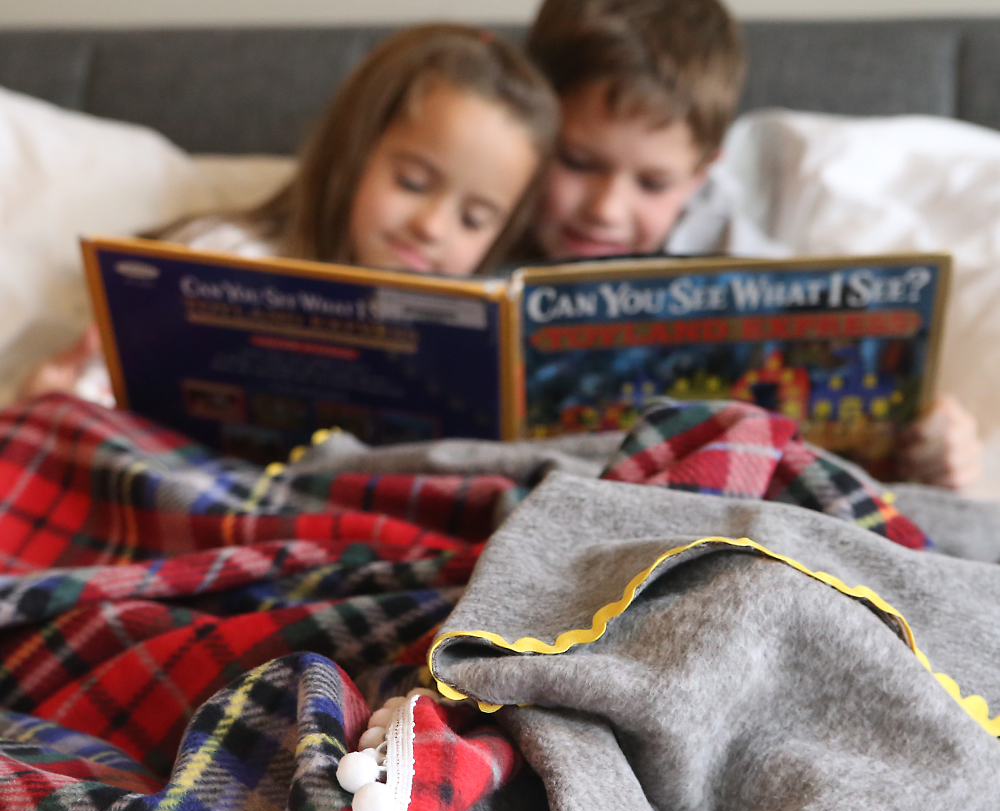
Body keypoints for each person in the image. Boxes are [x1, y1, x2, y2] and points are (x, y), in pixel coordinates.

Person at [519, 0, 981, 490]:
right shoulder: (471, 210)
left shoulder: (746, 271)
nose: (606, 209)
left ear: (703, 173)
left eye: (653, 183)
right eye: (576, 161)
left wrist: (937, 448)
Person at [20, 24, 558, 399]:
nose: (433, 226)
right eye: (413, 182)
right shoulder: (225, 261)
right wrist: (53, 403)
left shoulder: (463, 333)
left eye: (474, 219)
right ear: (350, 150)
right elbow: (96, 393)